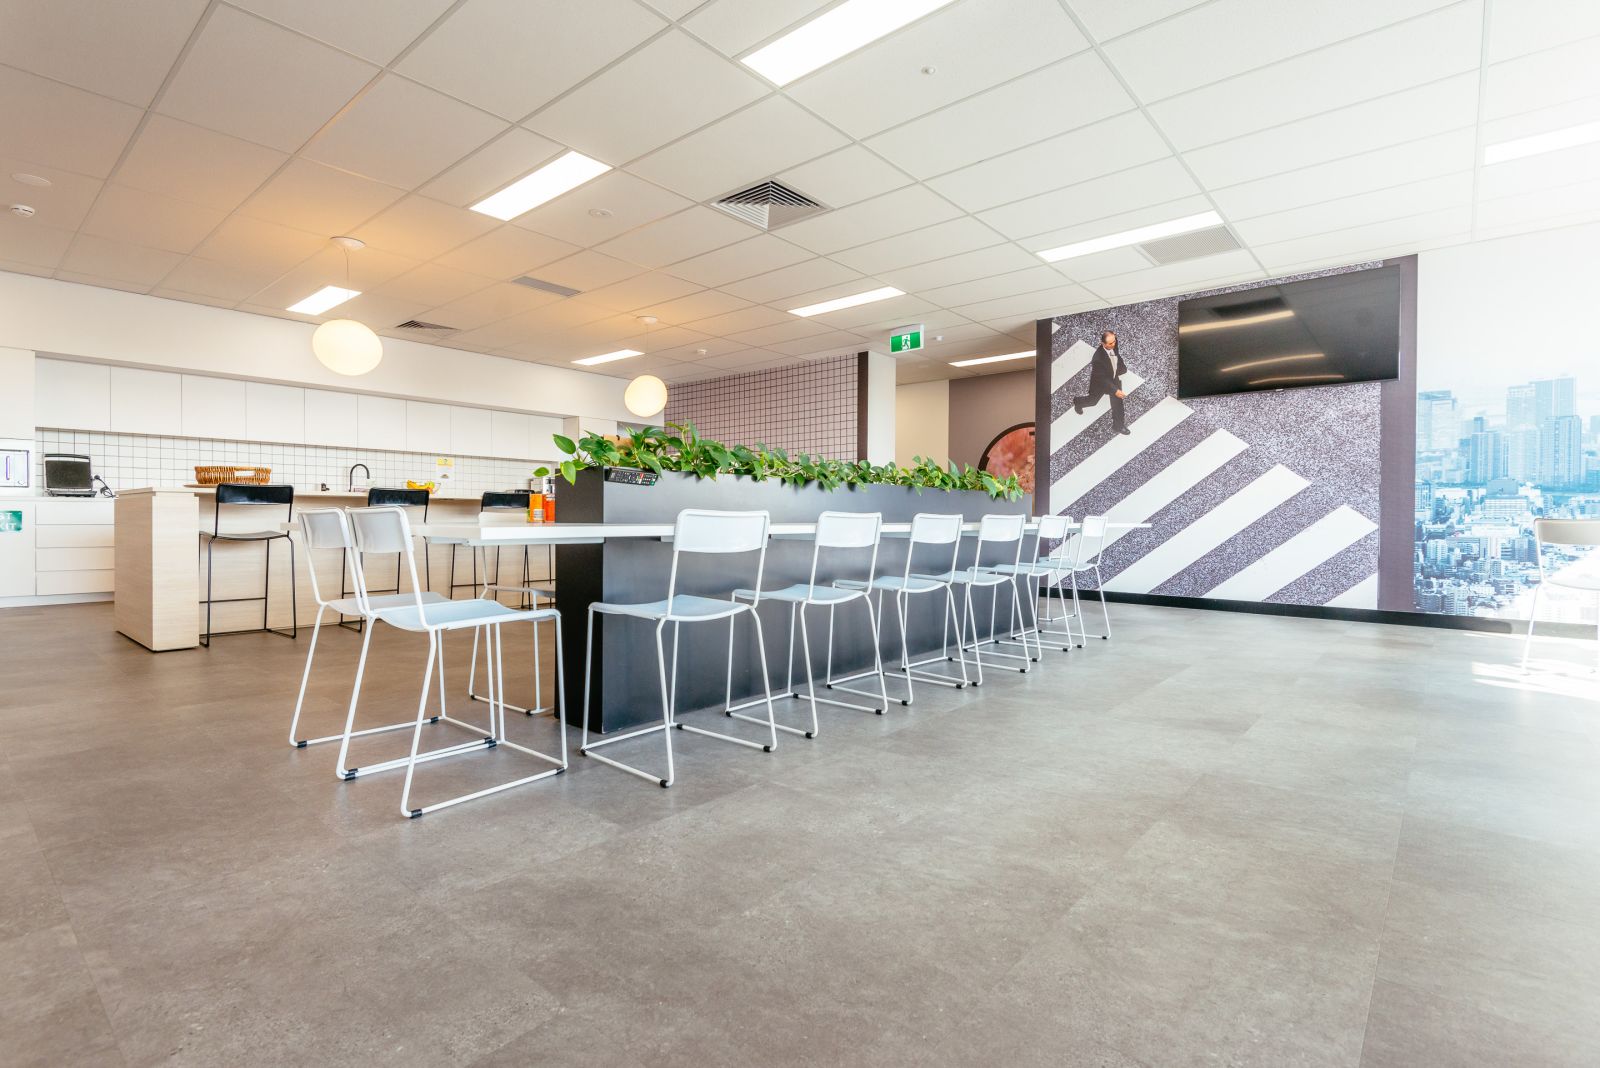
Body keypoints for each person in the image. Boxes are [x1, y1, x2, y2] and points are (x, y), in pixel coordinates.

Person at [1072, 330, 1131, 435]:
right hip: (1100, 382)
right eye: (1110, 343)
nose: (1113, 344)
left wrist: (1120, 368)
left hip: (1113, 378)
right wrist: (1115, 390)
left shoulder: (1113, 343)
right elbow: (1102, 379)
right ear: (1103, 344)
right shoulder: (1097, 359)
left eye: (1114, 341)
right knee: (1092, 401)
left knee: (1118, 405)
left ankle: (1118, 426)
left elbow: (1115, 349)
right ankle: (1078, 402)